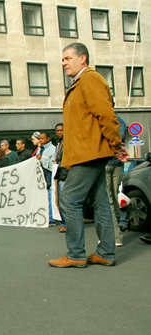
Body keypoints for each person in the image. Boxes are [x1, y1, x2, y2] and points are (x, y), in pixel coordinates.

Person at [48, 42, 124, 268]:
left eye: (68, 58)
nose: (64, 63)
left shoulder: (89, 79)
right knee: (101, 203)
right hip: (89, 152)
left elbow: (107, 115)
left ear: (82, 58)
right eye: (62, 60)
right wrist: (114, 145)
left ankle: (76, 254)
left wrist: (117, 144)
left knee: (69, 199)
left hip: (88, 154)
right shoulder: (82, 82)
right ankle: (106, 252)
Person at [105, 115, 127, 246]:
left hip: (106, 162)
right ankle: (116, 230)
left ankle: (115, 235)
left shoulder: (104, 120)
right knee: (114, 198)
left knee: (108, 200)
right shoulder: (122, 122)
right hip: (118, 164)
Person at [36, 132, 56, 227]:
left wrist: (42, 160)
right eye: (39, 138)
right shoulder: (39, 149)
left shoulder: (53, 149)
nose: (40, 140)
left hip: (49, 177)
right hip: (41, 177)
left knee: (50, 198)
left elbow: (53, 165)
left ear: (48, 138)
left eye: (42, 138)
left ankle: (51, 218)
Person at [54, 123, 68, 233]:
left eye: (61, 130)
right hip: (60, 174)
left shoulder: (67, 143)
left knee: (64, 201)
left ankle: (66, 224)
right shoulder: (59, 143)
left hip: (65, 175)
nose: (60, 132)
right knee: (60, 200)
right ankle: (64, 223)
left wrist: (63, 175)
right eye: (58, 130)